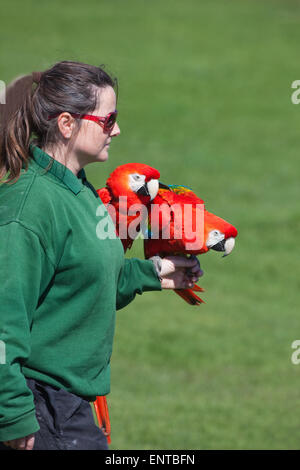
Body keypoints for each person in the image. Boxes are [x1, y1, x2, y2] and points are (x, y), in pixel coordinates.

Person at [0, 61, 203, 450]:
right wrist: (12, 413)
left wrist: (152, 273)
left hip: (69, 404)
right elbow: (3, 320)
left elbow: (80, 278)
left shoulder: (76, 189)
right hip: (40, 406)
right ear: (66, 124)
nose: (118, 130)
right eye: (108, 120)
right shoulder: (28, 210)